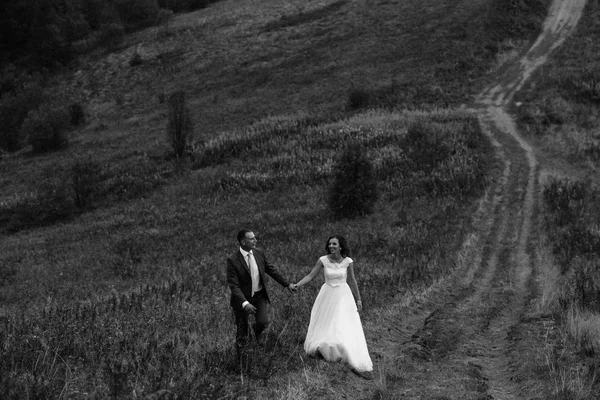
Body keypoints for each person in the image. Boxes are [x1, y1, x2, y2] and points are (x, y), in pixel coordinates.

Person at [294, 235, 373, 378]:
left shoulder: (348, 261)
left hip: (343, 295)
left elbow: (352, 281)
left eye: (334, 244)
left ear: (340, 246)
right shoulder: (322, 260)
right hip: (327, 294)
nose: (331, 246)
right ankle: (326, 347)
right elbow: (310, 276)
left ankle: (341, 347)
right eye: (330, 244)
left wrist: (359, 300)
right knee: (327, 321)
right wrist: (297, 285)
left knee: (341, 321)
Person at [226, 229, 296, 358]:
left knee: (263, 322)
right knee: (242, 330)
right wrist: (245, 303)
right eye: (252, 238)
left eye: (254, 238)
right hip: (242, 299)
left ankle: (253, 337)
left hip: (259, 296)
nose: (255, 240)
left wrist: (287, 284)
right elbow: (234, 286)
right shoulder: (232, 260)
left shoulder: (259, 253)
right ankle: (241, 361)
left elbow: (271, 270)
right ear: (243, 241)